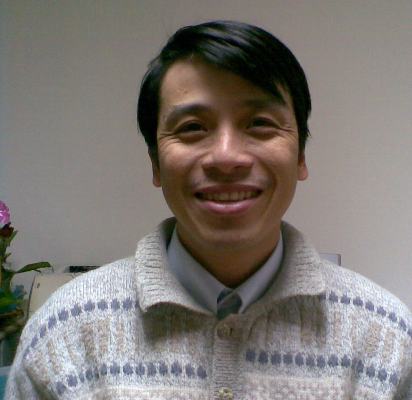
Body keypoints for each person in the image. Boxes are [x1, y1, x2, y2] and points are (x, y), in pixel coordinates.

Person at [6, 20, 411, 399]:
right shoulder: (63, 333)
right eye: (193, 128)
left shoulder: (386, 338)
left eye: (260, 123)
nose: (226, 157)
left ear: (301, 156)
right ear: (155, 163)